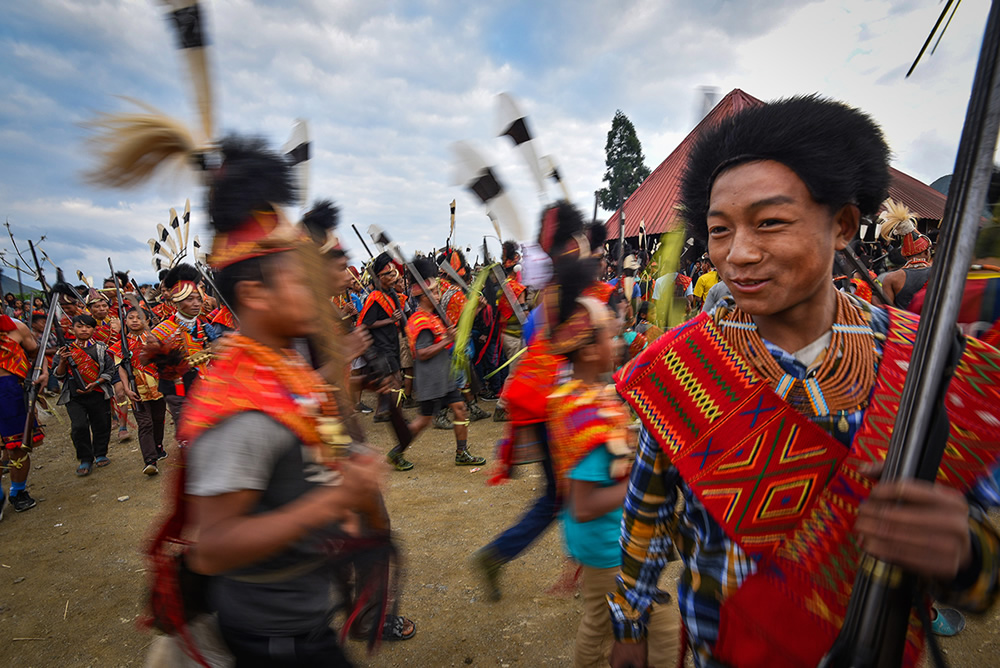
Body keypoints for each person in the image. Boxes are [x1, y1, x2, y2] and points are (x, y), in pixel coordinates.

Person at [608, 95, 1000, 668]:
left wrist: (968, 557)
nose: (737, 255)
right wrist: (628, 625)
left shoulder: (929, 360)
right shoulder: (680, 369)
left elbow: (984, 549)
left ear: (842, 225)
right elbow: (648, 511)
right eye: (719, 231)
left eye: (770, 222)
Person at [151, 137, 389, 666]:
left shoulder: (286, 371)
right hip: (272, 639)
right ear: (255, 294)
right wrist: (336, 500)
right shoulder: (239, 405)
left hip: (306, 614)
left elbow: (313, 448)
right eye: (296, 278)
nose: (313, 289)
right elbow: (212, 547)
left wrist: (345, 487)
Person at [546, 257, 680, 668]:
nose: (618, 339)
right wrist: (647, 480)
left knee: (603, 623)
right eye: (608, 333)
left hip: (607, 544)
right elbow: (585, 504)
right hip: (609, 548)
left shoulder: (588, 395)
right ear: (587, 350)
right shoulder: (585, 413)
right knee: (635, 628)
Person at [386, 256, 487, 471]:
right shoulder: (420, 321)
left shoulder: (434, 318)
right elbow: (422, 354)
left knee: (460, 409)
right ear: (422, 297)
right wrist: (448, 341)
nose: (438, 295)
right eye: (432, 292)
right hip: (431, 379)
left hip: (445, 375)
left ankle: (462, 452)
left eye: (437, 291)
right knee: (423, 420)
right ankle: (397, 451)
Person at [143, 263, 220, 427]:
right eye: (189, 299)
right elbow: (148, 366)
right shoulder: (162, 332)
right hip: (177, 392)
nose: (196, 304)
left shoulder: (205, 328)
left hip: (205, 388)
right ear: (177, 301)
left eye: (198, 299)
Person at [54, 314, 116, 477]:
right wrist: (62, 361)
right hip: (74, 396)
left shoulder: (101, 348)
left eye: (88, 327)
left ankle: (100, 453)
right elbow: (59, 375)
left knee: (101, 424)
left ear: (94, 329)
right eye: (80, 326)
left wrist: (95, 383)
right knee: (79, 426)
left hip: (97, 392)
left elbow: (110, 370)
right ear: (72, 329)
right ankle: (85, 458)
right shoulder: (65, 350)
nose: (84, 330)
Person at [109, 306, 167, 475]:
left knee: (158, 418)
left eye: (139, 317)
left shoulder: (155, 339)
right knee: (145, 423)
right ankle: (150, 460)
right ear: (125, 321)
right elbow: (121, 369)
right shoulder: (122, 345)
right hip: (137, 389)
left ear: (146, 321)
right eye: (131, 317)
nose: (135, 320)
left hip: (157, 386)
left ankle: (158, 446)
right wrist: (126, 388)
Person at [0, 312, 47, 516]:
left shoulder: (16, 327)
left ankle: (18, 492)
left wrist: (43, 372)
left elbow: (37, 353)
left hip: (10, 392)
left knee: (17, 447)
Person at [359, 252, 405, 422]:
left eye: (395, 274)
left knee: (387, 382)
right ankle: (397, 416)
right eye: (390, 274)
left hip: (391, 342)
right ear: (380, 276)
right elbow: (366, 323)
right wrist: (390, 320)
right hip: (381, 346)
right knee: (395, 380)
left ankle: (380, 413)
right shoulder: (375, 298)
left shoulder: (390, 294)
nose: (394, 277)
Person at [881, 203, 933, 310]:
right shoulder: (939, 274)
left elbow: (888, 313)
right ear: (927, 253)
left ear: (904, 256)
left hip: (903, 326)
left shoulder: (891, 279)